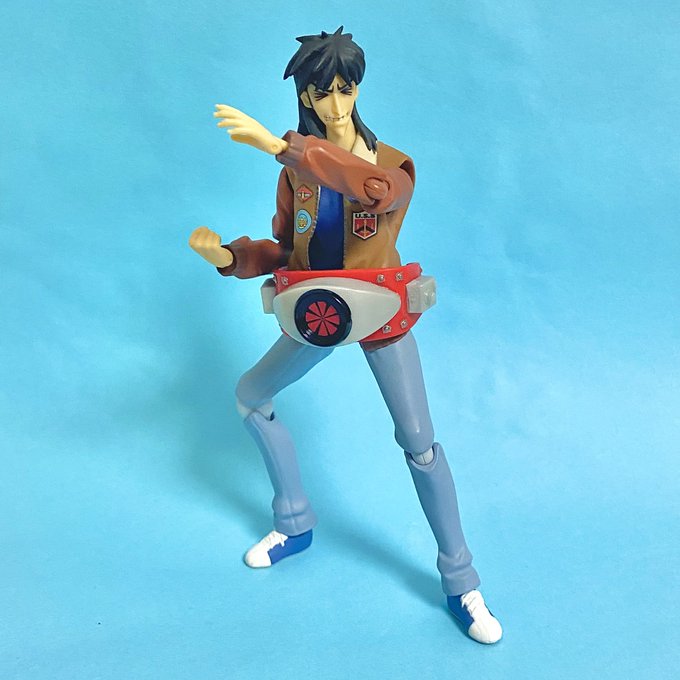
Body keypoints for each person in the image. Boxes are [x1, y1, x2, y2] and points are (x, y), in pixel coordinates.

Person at [189, 27, 502, 644]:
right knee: (251, 396)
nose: (334, 104)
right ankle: (294, 521)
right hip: (316, 312)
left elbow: (373, 192)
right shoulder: (296, 175)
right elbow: (286, 249)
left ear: (357, 89)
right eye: (322, 92)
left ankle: (461, 582)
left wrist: (283, 147)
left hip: (381, 313)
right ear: (305, 96)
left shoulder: (391, 165)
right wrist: (228, 257)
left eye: (345, 89)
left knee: (419, 443)